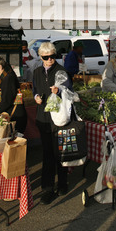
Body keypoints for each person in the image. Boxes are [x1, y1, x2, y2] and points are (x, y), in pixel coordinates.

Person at [33, 42, 72, 204]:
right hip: (43, 117)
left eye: (52, 56)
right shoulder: (37, 72)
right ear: (40, 57)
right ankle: (47, 188)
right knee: (47, 153)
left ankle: (62, 183)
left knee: (60, 152)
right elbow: (35, 89)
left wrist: (60, 90)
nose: (50, 60)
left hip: (59, 117)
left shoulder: (61, 70)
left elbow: (70, 89)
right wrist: (36, 97)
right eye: (46, 57)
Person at [0, 55, 27, 134]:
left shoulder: (8, 78)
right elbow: (5, 94)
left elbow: (6, 101)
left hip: (15, 117)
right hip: (13, 116)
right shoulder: (7, 74)